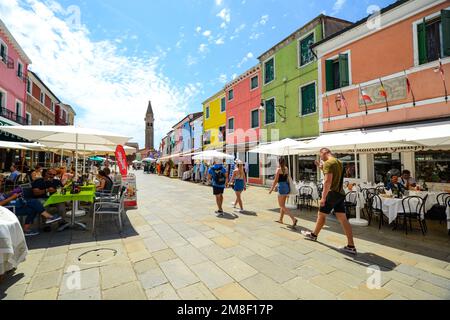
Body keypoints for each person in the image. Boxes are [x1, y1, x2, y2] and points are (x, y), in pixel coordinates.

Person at [301, 148, 357, 255]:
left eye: (320, 155)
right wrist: (321, 167)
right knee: (343, 219)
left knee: (321, 215)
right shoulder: (339, 162)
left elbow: (327, 181)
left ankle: (313, 235)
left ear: (324, 153)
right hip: (340, 194)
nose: (320, 157)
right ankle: (351, 246)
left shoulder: (328, 163)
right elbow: (334, 175)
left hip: (331, 194)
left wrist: (323, 197)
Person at [269, 158, 298, 228]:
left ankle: (293, 219)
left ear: (279, 162)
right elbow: (287, 178)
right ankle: (281, 219)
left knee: (281, 205)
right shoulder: (286, 168)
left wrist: (271, 189)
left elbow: (275, 180)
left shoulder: (278, 170)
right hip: (286, 187)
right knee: (283, 205)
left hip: (281, 187)